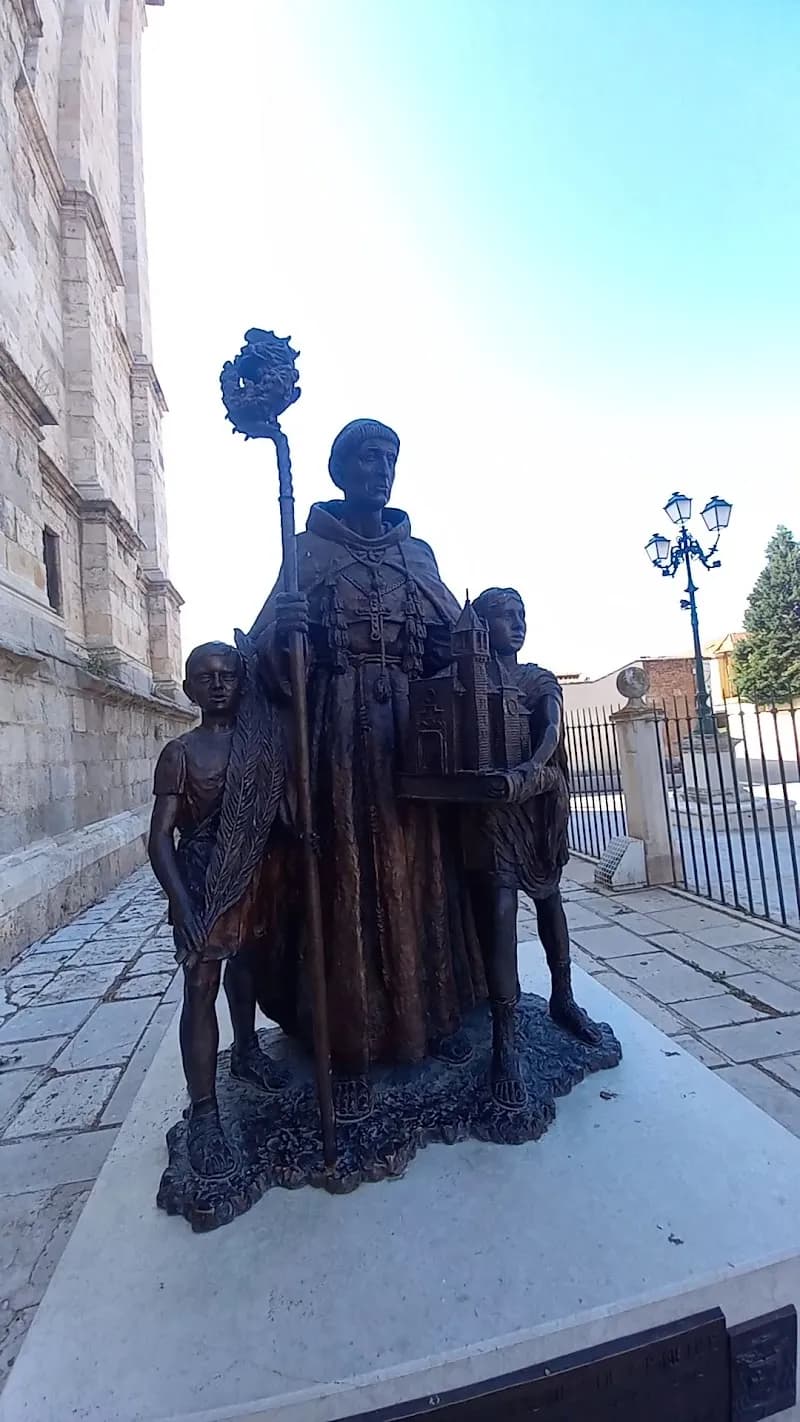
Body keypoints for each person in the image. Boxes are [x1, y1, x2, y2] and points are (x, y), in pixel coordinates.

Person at [249, 419, 486, 1120]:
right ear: (339, 469)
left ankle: (433, 1016)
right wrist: (283, 634)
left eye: (390, 456)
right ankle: (346, 1040)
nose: (380, 467)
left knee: (422, 873)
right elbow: (263, 660)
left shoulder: (419, 554)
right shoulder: (307, 552)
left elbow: (453, 643)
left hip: (414, 737)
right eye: (365, 456)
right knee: (346, 878)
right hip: (338, 737)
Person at [148, 642, 287, 1178]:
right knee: (201, 987)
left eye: (229, 674)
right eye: (207, 677)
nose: (220, 683)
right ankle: (204, 1111)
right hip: (205, 882)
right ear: (189, 690)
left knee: (247, 969)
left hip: (256, 875)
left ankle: (248, 1050)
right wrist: (181, 906)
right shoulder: (180, 753)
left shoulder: (261, 746)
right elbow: (160, 840)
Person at [466, 588, 601, 1110]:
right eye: (506, 618)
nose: (518, 625)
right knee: (500, 909)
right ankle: (505, 1033)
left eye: (522, 616)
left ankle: (563, 998)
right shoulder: (472, 683)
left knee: (549, 900)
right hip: (494, 810)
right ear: (484, 629)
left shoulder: (537, 679)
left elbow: (551, 727)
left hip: (538, 802)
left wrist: (530, 768)